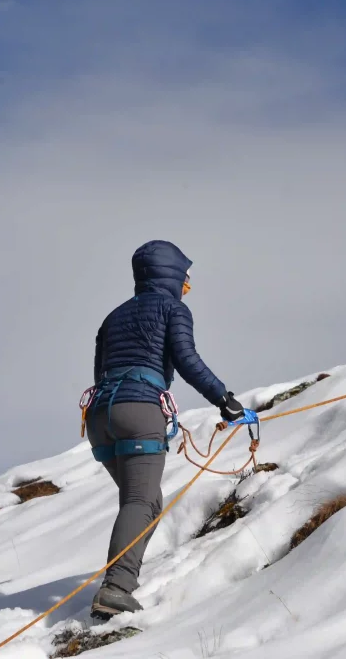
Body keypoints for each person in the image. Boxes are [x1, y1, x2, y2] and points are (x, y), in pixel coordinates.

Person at [85, 239, 245, 619]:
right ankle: (117, 588)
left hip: (99, 416)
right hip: (140, 410)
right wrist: (224, 398)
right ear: (172, 273)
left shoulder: (112, 316)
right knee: (141, 503)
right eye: (187, 275)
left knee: (146, 503)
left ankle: (121, 581)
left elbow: (99, 371)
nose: (189, 283)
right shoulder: (173, 308)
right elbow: (187, 360)